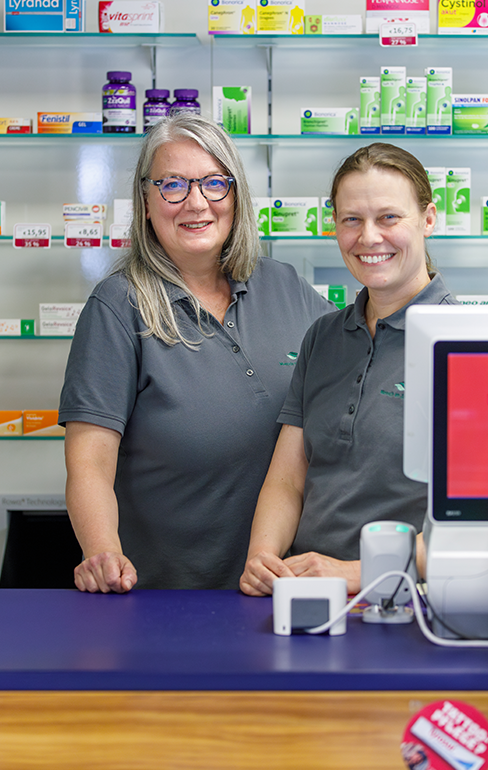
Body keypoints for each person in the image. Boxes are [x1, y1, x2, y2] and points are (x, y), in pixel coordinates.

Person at [58, 113, 335, 593]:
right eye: (172, 185)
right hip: (169, 597)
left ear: (235, 194)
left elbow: (358, 364)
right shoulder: (118, 307)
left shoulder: (285, 285)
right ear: (146, 202)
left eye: (213, 183)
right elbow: (89, 463)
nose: (196, 202)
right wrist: (102, 552)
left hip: (285, 586)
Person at [240, 142, 458, 597]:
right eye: (351, 220)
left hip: (408, 604)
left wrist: (355, 574)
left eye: (389, 218)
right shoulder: (323, 337)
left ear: (429, 219)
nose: (369, 237)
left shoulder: (465, 345)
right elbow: (287, 478)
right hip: (307, 593)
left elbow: (474, 527)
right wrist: (263, 557)